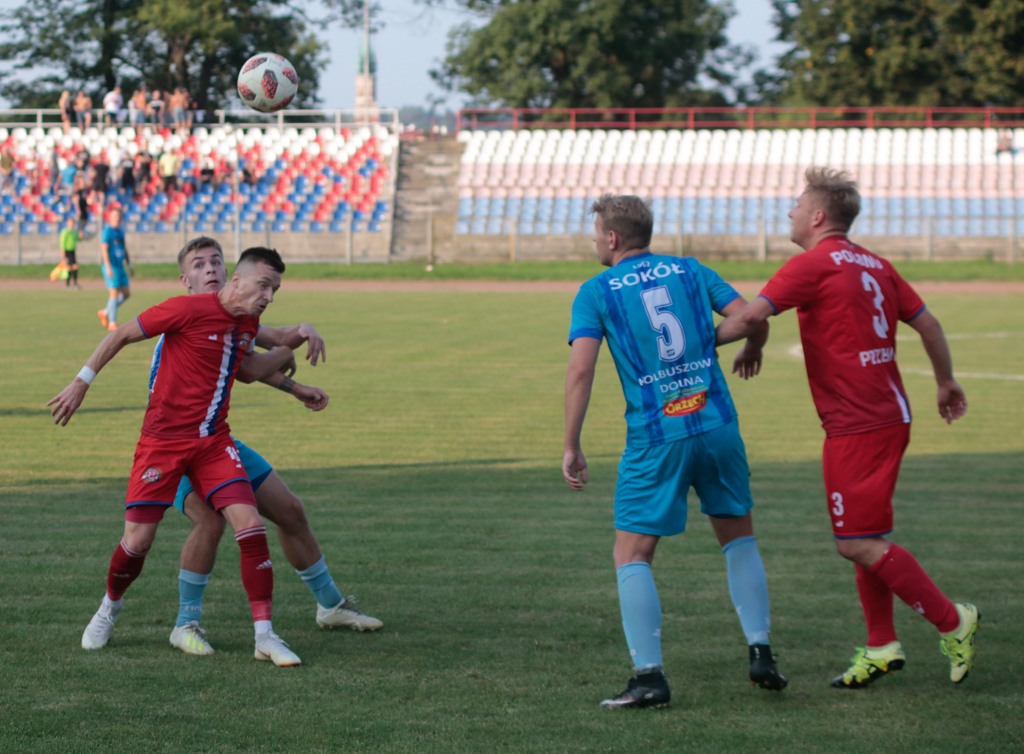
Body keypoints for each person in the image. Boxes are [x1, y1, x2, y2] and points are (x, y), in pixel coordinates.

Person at [716, 167, 979, 689]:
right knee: (867, 534)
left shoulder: (811, 264)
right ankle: (881, 644)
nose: (788, 212)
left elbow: (750, 316)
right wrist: (945, 380)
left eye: (795, 204)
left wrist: (686, 350)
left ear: (817, 216)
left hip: (858, 423)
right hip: (887, 413)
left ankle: (952, 619)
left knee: (855, 542)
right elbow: (927, 322)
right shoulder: (875, 264)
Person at [562, 194, 787, 710]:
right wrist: (751, 345)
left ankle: (649, 678)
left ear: (613, 238)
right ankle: (761, 653)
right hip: (717, 425)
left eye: (597, 232)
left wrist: (571, 444)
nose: (595, 240)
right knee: (738, 537)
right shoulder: (690, 270)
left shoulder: (596, 290)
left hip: (656, 435)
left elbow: (581, 369)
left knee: (632, 554)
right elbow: (752, 315)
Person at [47, 247, 308, 667]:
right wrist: (82, 382)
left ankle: (265, 636)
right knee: (138, 542)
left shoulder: (247, 321)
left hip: (213, 442)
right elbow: (120, 335)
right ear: (237, 281)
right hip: (163, 443)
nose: (270, 296)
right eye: (265, 286)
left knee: (251, 525)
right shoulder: (184, 310)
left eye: (274, 289)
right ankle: (109, 608)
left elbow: (254, 361)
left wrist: (296, 370)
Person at [162, 237, 381, 656]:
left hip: (218, 441)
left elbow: (264, 346)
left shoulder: (234, 318)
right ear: (185, 280)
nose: (209, 270)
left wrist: (300, 339)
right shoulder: (187, 319)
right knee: (210, 522)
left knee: (290, 510)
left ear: (231, 275)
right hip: (175, 447)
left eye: (216, 263)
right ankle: (184, 623)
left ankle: (331, 605)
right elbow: (249, 367)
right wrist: (287, 353)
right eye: (199, 265)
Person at [98, 206, 133, 331]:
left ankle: (106, 312)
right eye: (114, 216)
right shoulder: (107, 231)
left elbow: (124, 249)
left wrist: (130, 265)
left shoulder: (120, 232)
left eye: (118, 216)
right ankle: (112, 323)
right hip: (111, 266)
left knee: (126, 294)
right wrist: (108, 267)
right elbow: (104, 250)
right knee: (114, 293)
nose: (117, 218)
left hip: (120, 266)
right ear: (110, 218)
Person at [60, 216, 81, 289]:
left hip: (73, 251)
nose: (71, 224)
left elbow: (78, 239)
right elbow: (62, 243)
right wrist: (63, 253)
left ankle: (75, 283)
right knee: (69, 267)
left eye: (72, 222)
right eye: (70, 222)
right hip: (67, 251)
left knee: (75, 267)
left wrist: (80, 237)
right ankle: (68, 284)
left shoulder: (74, 232)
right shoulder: (65, 232)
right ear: (67, 223)